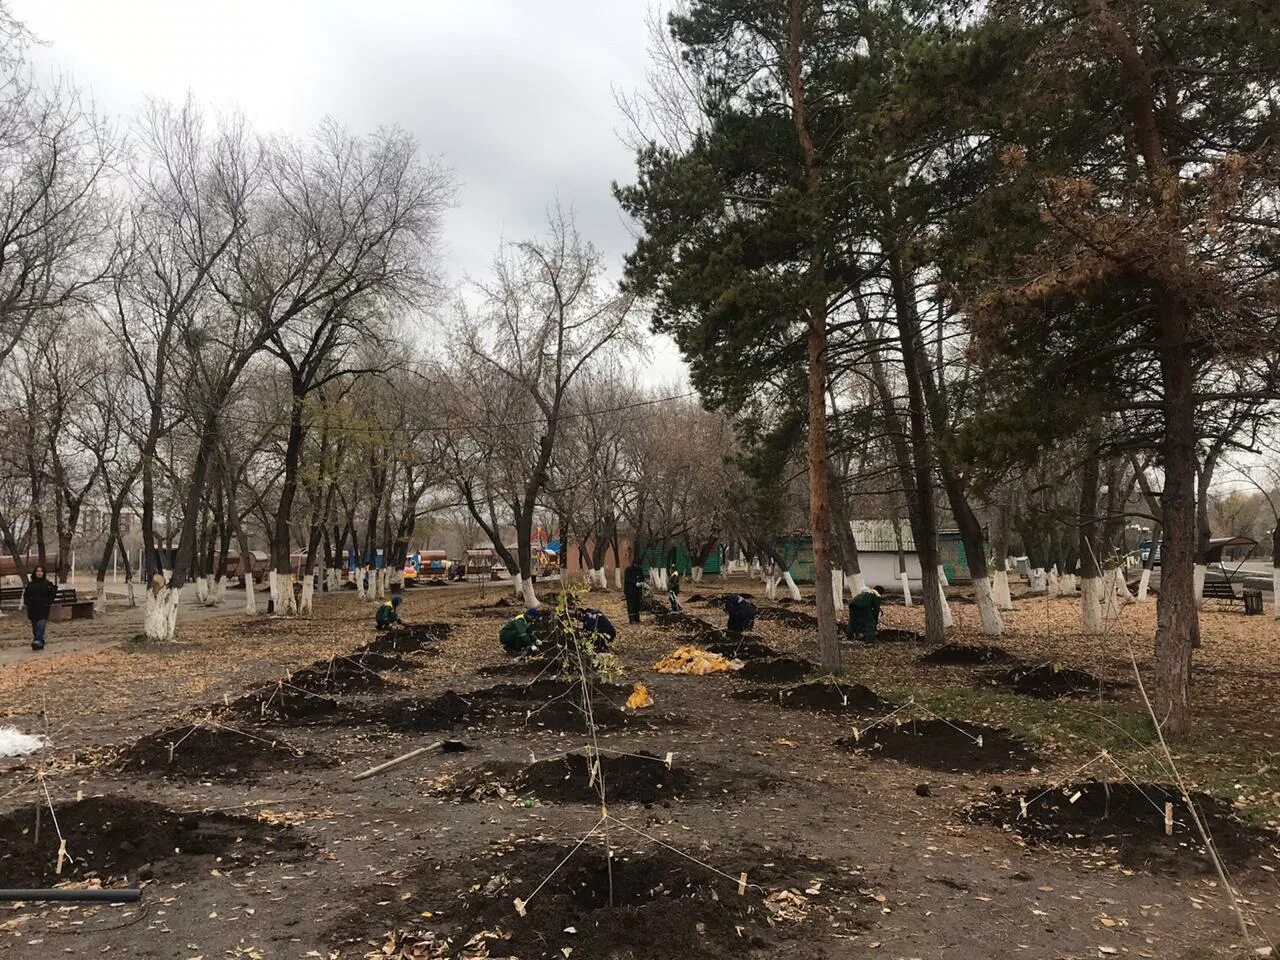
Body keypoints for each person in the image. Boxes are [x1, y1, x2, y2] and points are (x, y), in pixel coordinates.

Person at [23, 565, 56, 651]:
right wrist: (28, 603)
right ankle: (39, 642)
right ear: (35, 572)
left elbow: (52, 595)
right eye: (38, 571)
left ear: (43, 573)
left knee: (41, 624)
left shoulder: (48, 584)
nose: (39, 573)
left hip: (43, 608)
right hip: (33, 608)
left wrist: (48, 602)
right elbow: (26, 595)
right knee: (35, 627)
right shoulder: (31, 584)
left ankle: (37, 640)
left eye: (41, 571)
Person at [623, 557, 644, 624]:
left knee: (637, 605)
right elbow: (627, 579)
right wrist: (635, 583)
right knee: (631, 605)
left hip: (637, 591)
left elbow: (642, 577)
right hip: (630, 591)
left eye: (639, 565)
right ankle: (632, 620)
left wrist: (642, 582)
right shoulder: (628, 570)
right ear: (634, 564)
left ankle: (637, 619)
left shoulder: (640, 570)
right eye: (637, 565)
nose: (638, 566)